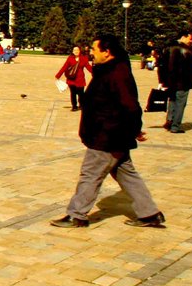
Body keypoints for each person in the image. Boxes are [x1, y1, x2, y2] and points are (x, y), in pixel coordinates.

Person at [51, 34, 165, 229]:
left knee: (90, 174)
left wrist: (133, 128)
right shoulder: (109, 70)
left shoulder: (117, 74)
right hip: (113, 134)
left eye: (95, 50)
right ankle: (149, 213)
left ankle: (77, 214)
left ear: (107, 52)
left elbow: (130, 106)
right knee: (126, 174)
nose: (91, 53)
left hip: (107, 136)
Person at [157, 32, 192, 134]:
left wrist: (161, 81)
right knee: (180, 104)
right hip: (184, 81)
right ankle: (175, 126)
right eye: (190, 39)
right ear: (183, 37)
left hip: (170, 81)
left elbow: (161, 66)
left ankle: (169, 120)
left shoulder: (168, 48)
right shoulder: (190, 51)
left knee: (172, 101)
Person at [55, 46, 88, 111]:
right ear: (72, 51)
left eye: (77, 50)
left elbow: (88, 67)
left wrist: (96, 73)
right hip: (71, 79)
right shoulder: (70, 58)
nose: (76, 51)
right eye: (74, 50)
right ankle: (74, 106)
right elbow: (64, 67)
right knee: (73, 93)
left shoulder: (84, 58)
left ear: (80, 51)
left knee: (81, 94)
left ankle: (81, 105)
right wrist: (58, 75)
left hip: (80, 79)